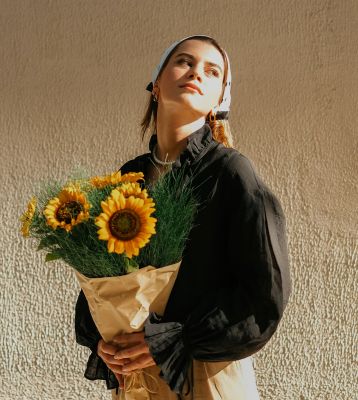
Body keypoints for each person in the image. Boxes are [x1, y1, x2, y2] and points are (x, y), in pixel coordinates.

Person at [75, 34, 292, 399]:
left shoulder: (231, 172)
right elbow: (98, 276)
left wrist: (177, 337)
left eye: (212, 71)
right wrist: (102, 340)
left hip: (204, 377)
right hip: (136, 379)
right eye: (184, 62)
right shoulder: (128, 178)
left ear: (217, 101)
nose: (196, 73)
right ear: (156, 85)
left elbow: (264, 294)